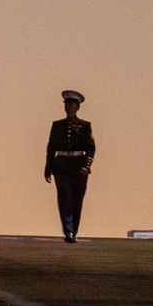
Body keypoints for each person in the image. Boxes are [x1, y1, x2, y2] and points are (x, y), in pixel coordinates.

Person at [44, 89, 95, 243]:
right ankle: (68, 231)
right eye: (66, 104)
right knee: (64, 198)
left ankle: (74, 230)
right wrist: (48, 167)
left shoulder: (85, 125)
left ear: (77, 107)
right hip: (61, 165)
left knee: (77, 200)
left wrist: (86, 166)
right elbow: (51, 147)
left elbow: (91, 148)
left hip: (79, 165)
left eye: (71, 104)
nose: (68, 107)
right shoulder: (57, 125)